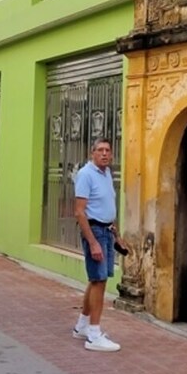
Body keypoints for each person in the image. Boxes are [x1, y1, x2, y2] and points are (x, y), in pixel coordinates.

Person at [71, 138, 122, 352]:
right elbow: (79, 211)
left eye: (107, 150)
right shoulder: (86, 174)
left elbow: (107, 204)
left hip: (107, 231)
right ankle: (94, 334)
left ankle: (82, 325)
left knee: (96, 280)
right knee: (99, 281)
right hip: (95, 231)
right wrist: (93, 242)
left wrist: (117, 235)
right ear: (92, 153)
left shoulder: (106, 173)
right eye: (100, 150)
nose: (104, 154)